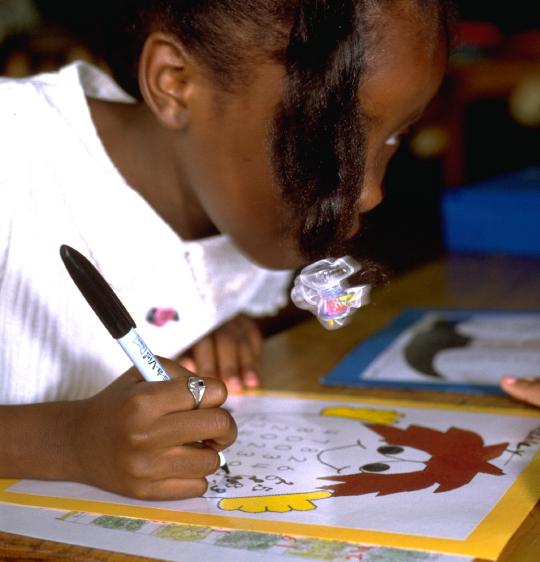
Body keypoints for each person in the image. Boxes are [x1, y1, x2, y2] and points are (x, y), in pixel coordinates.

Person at [0, 0, 454, 500]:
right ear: (174, 82)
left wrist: (233, 324)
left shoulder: (252, 219)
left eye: (395, 135)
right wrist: (67, 443)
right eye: (327, 138)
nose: (369, 193)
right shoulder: (14, 151)